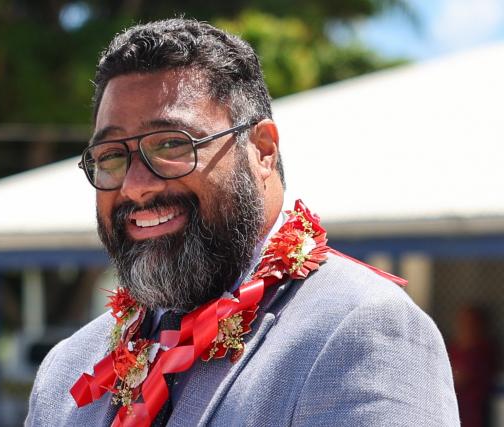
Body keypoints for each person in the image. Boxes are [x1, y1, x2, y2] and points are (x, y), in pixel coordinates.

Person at [26, 18, 459, 426]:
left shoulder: (361, 331)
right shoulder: (67, 369)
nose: (137, 186)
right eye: (112, 156)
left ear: (263, 149)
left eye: (172, 145)